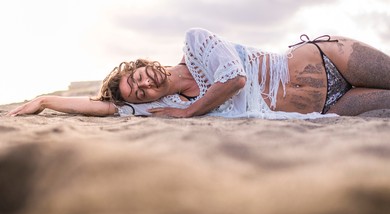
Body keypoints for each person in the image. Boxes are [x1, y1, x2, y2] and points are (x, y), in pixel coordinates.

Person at [7, 28, 390, 119]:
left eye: (137, 77)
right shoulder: (166, 103)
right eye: (139, 94)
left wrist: (187, 114)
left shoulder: (196, 43)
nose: (143, 87)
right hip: (329, 105)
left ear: (143, 65)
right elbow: (107, 109)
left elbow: (236, 80)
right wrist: (43, 100)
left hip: (328, 57)